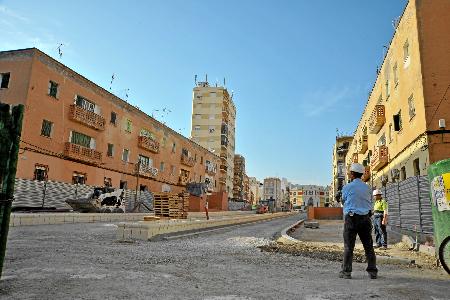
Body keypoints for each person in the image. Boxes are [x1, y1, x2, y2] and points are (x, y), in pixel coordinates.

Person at [339, 163, 378, 279]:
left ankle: (346, 272)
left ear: (352, 174)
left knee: (348, 247)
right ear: (361, 174)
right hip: (365, 218)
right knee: (368, 246)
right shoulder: (368, 188)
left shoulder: (347, 187)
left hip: (351, 218)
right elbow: (371, 202)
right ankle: (373, 271)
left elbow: (343, 200)